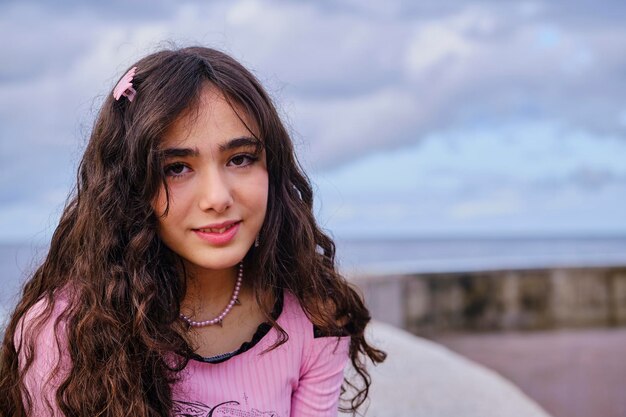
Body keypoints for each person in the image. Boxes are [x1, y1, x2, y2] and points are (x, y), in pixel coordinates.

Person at [0, 46, 386, 417]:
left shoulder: (315, 318)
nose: (217, 198)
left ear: (274, 169)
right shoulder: (65, 331)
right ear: (129, 187)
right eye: (177, 167)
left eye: (240, 159)